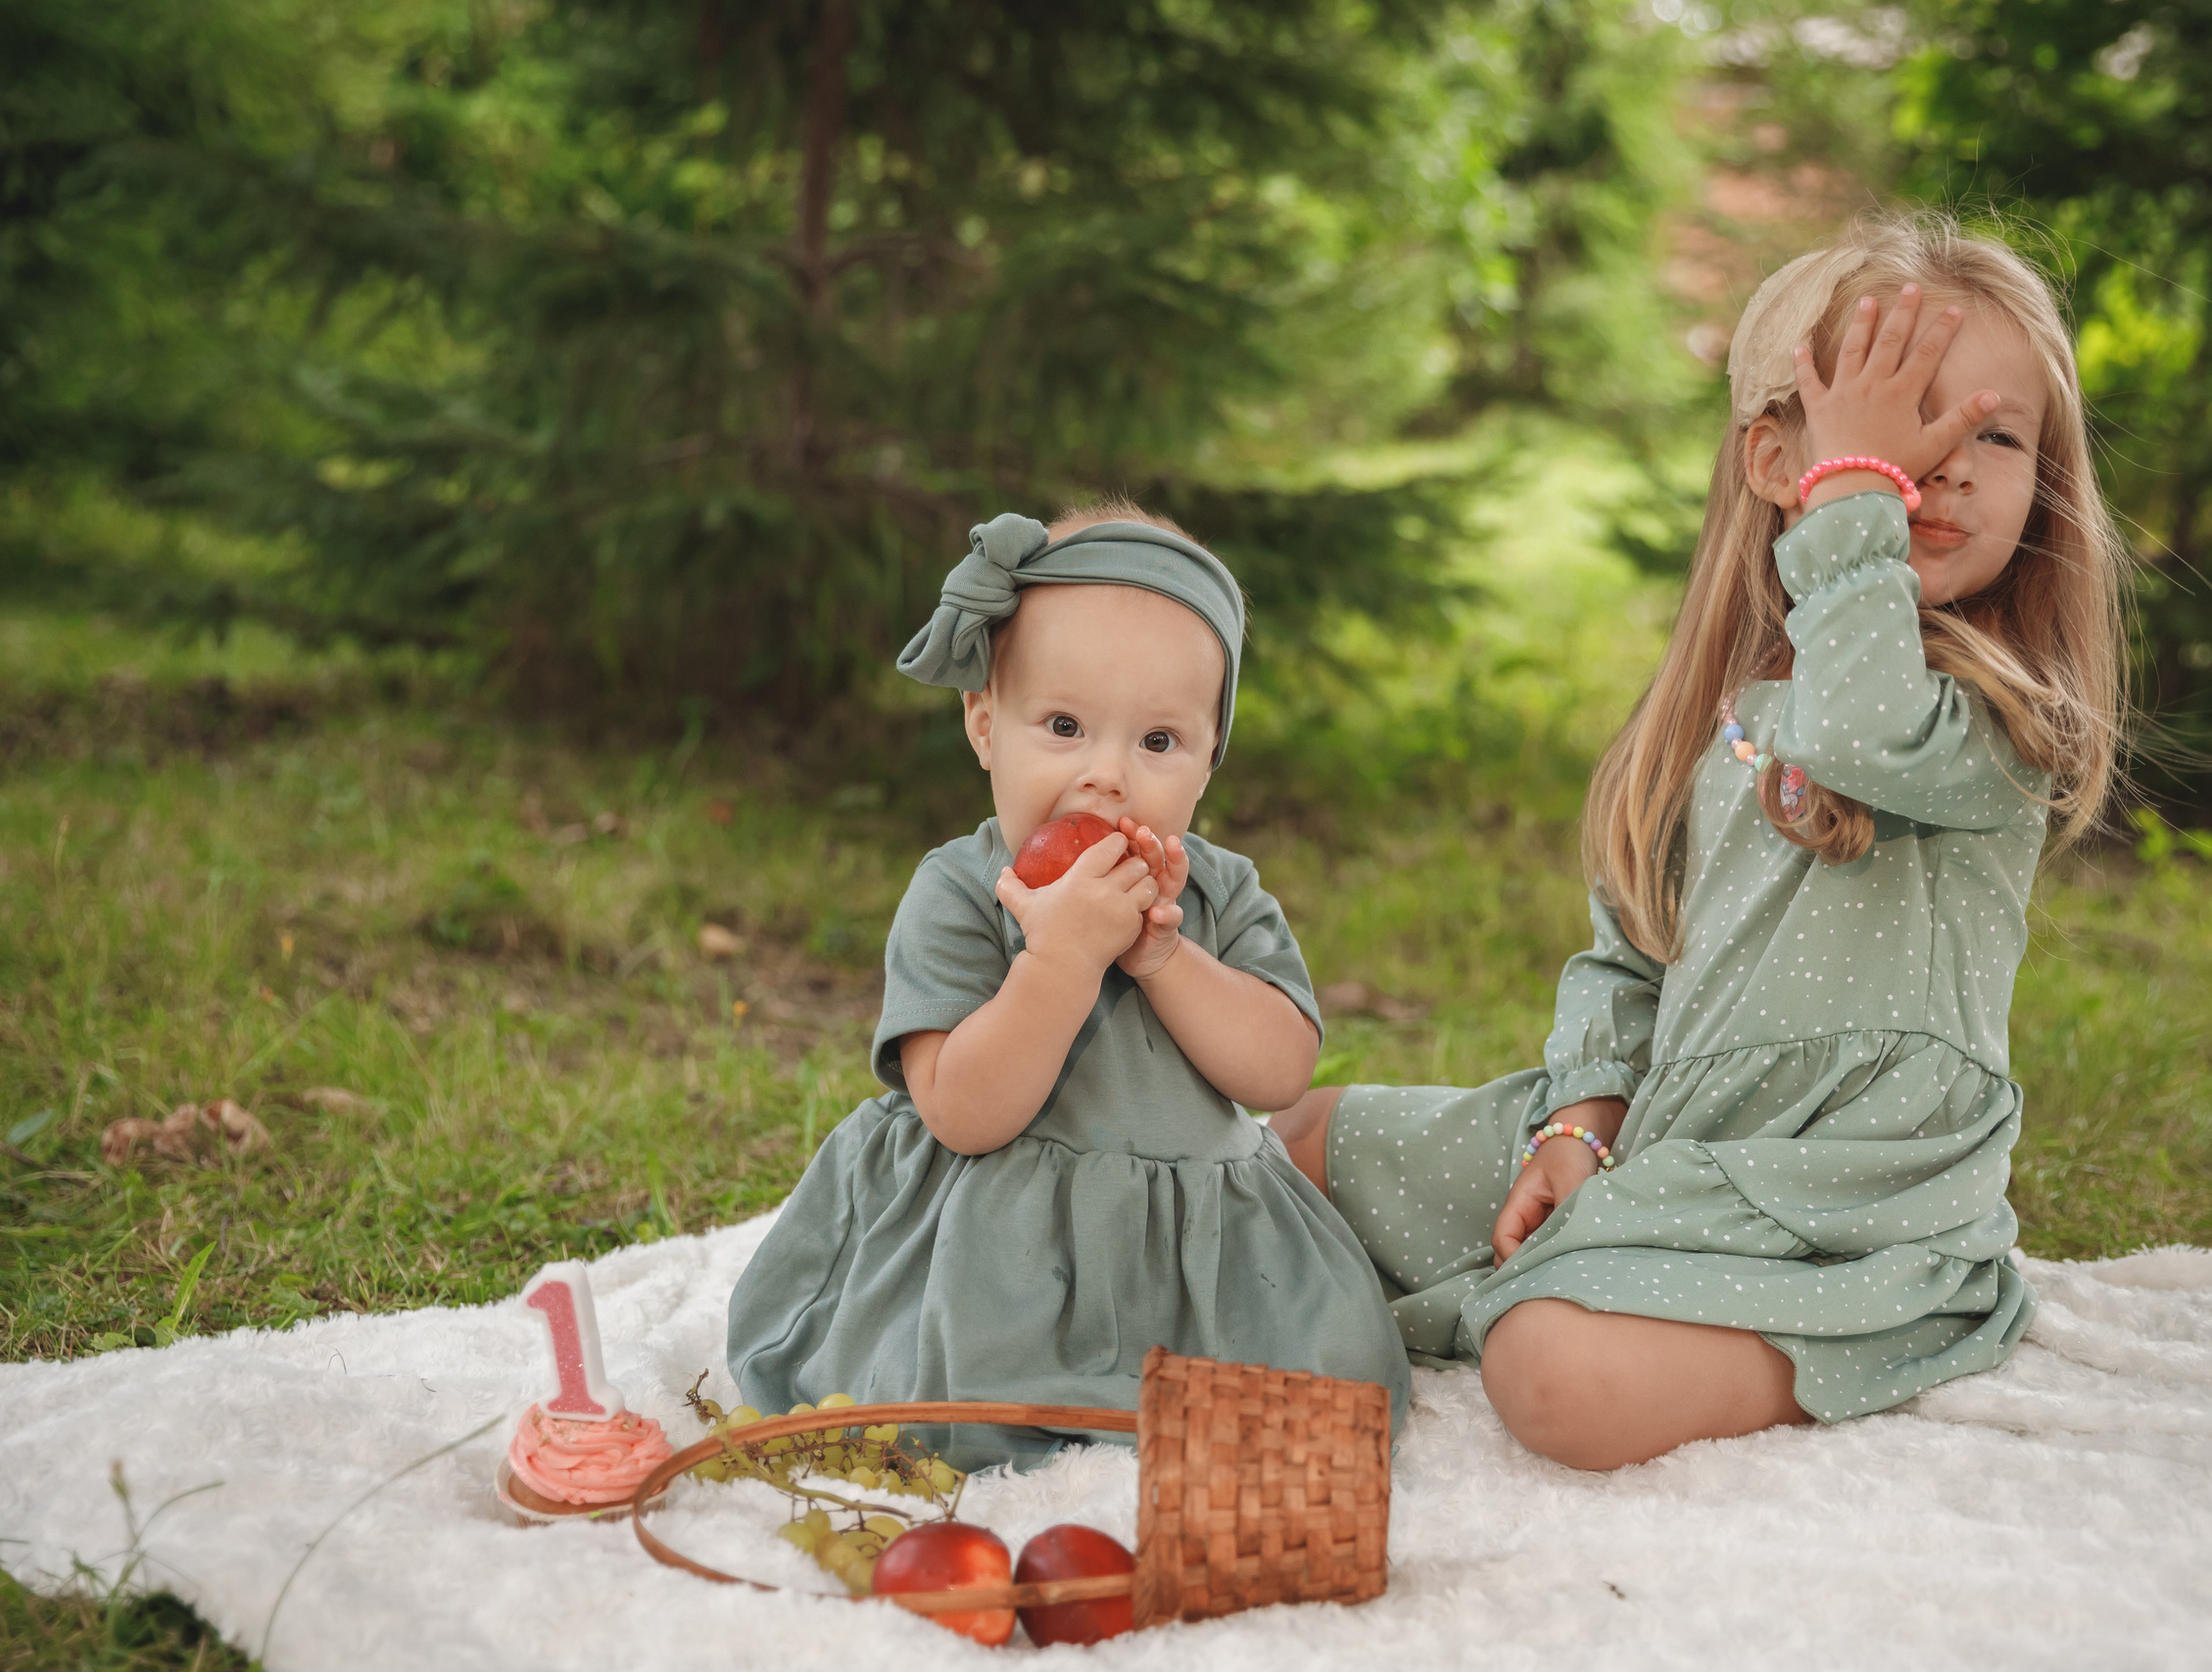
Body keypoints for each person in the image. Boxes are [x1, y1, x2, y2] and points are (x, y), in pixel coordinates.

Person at [1271, 212, 2129, 1470]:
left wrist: (1857, 491)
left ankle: (1878, 1327)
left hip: (1843, 1198)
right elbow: (1631, 957)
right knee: (1299, 1140)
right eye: (1898, 421)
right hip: (1673, 1131)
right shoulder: (1725, 713)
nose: (1944, 462)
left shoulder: (2001, 718)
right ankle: (1550, 1259)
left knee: (1550, 1374)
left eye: (1993, 435)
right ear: (1775, 459)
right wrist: (1576, 1128)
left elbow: (1856, 727)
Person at [727, 499, 1410, 1468]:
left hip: (1192, 1251)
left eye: (1158, 742)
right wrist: (1060, 960)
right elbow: (963, 1112)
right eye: (1063, 726)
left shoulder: (1218, 894)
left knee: (1328, 1382)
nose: (1107, 777)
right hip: (1004, 1246)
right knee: (958, 1392)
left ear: (1209, 760)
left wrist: (1164, 958)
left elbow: (1278, 1072)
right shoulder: (963, 892)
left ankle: (1177, 1399)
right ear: (983, 726)